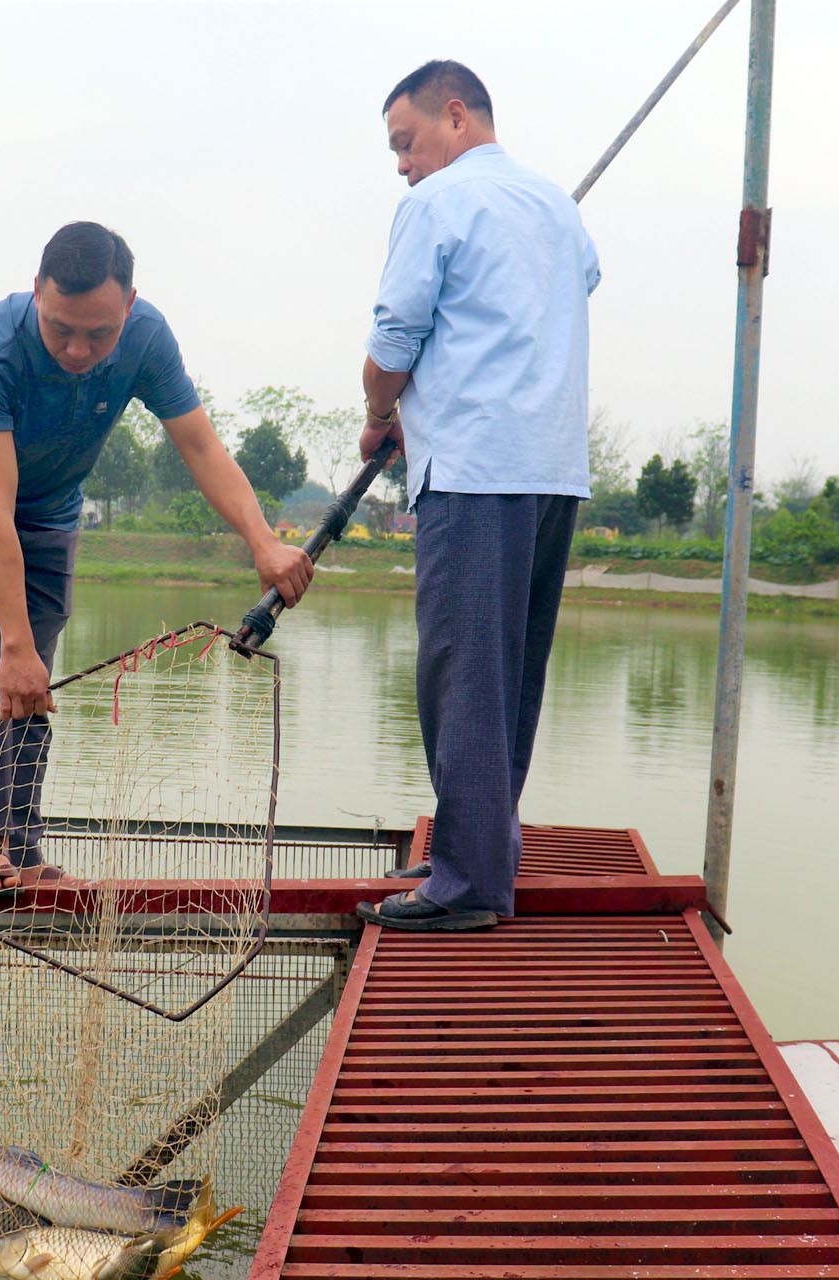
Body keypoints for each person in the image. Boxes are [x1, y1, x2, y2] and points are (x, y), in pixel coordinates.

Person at [0, 221, 312, 894]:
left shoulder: (148, 337)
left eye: (100, 333)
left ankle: (24, 845)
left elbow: (201, 446)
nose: (78, 349)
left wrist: (263, 541)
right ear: (36, 292)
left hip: (52, 507)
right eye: (62, 328)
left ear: (130, 304)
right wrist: (13, 641)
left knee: (35, 667)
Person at [353, 61, 601, 931]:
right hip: (552, 470)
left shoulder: (435, 206)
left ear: (454, 117)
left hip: (474, 469)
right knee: (510, 673)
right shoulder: (558, 209)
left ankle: (466, 882)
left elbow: (396, 337)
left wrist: (383, 409)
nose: (402, 164)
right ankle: (480, 843)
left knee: (461, 671)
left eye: (406, 142)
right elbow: (578, 286)